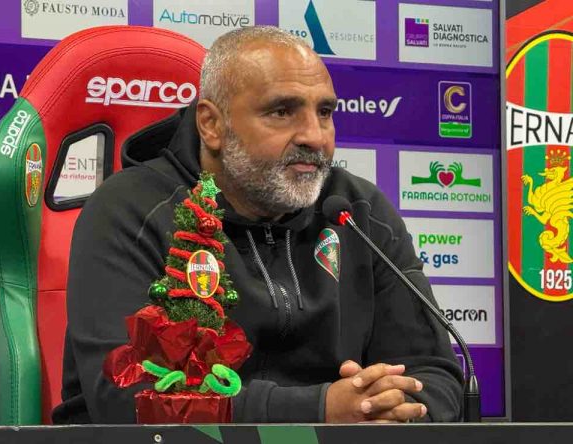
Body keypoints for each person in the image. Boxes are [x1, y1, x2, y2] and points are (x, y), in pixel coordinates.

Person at [53, 26, 462, 424]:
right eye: (282, 112)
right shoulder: (131, 209)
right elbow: (129, 395)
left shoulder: (358, 212)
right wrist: (320, 411)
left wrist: (391, 414)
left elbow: (434, 374)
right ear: (212, 125)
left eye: (324, 112)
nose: (315, 136)